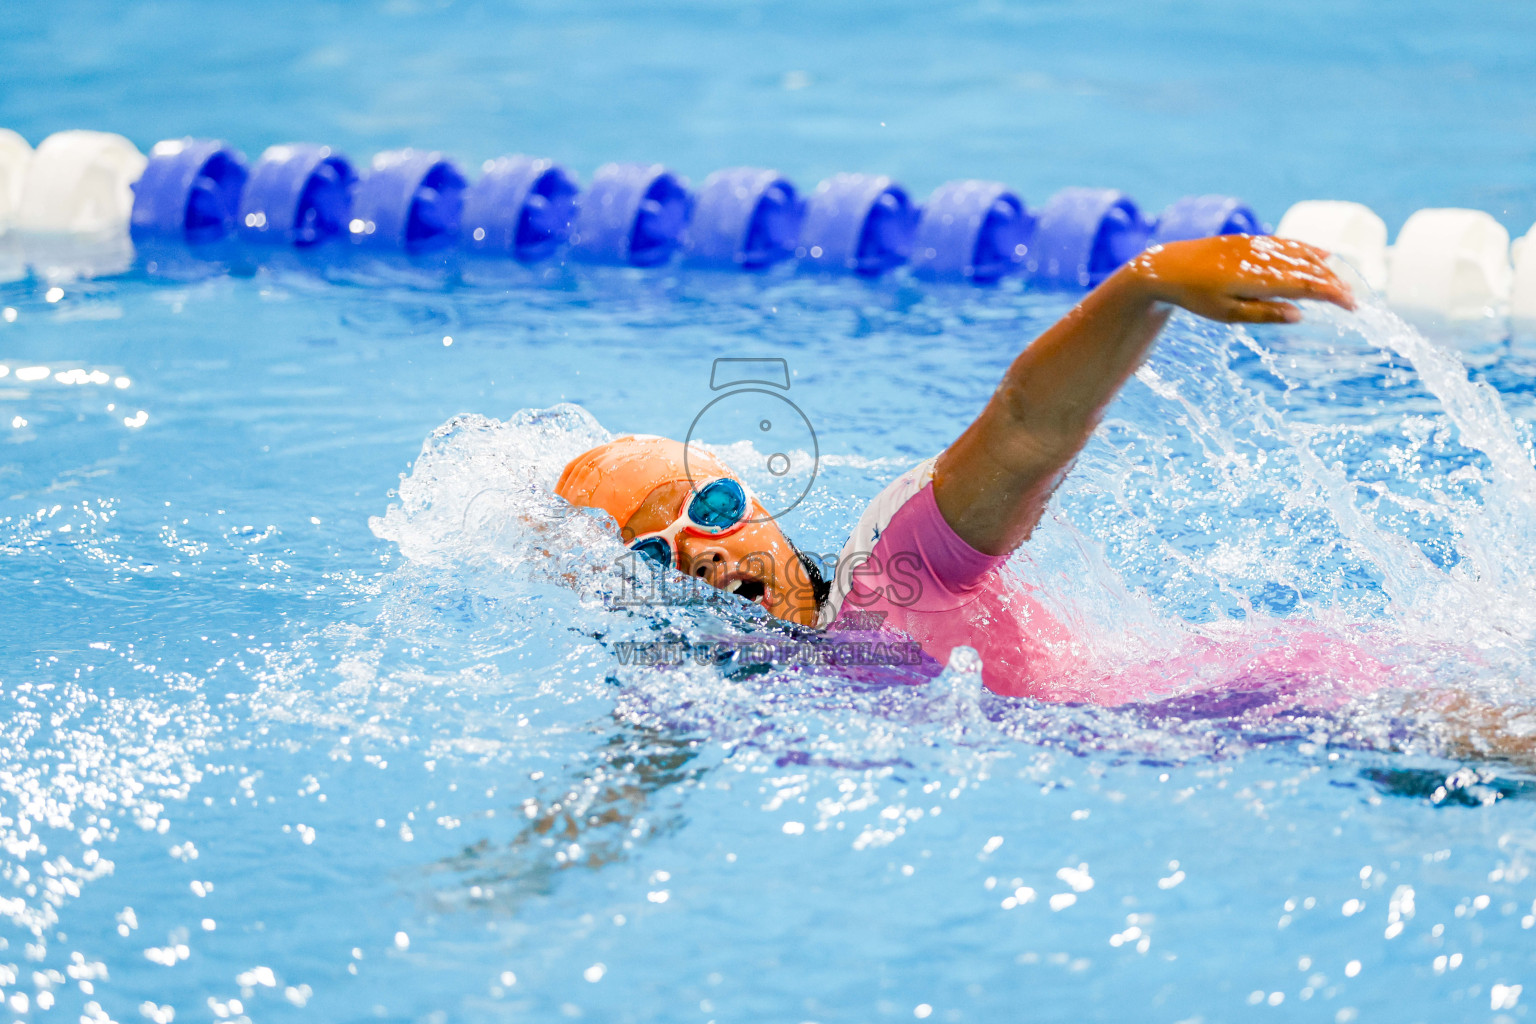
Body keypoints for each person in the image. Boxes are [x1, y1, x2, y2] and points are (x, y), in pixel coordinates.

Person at [555, 235, 1355, 699]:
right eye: (652, 552)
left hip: (1312, 702)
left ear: (761, 506)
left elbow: (1025, 430)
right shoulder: (708, 694)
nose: (701, 549)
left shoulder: (891, 572)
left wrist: (1144, 287)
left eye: (714, 507)